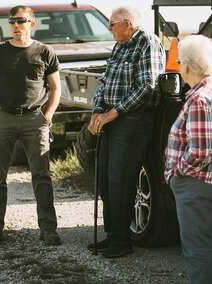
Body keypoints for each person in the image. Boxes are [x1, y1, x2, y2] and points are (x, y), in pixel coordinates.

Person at [0, 5, 61, 248]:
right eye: (12, 21)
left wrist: (47, 116)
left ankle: (48, 229)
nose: (16, 25)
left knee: (42, 176)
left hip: (35, 120)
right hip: (2, 118)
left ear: (31, 24)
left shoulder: (45, 52)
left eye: (21, 21)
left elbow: (56, 88)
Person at [87, 6, 165, 258]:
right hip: (112, 117)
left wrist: (113, 113)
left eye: (112, 24)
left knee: (121, 180)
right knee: (106, 179)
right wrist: (97, 111)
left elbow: (147, 87)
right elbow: (105, 82)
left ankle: (122, 241)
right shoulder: (120, 45)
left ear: (128, 24)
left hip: (132, 119)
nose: (109, 29)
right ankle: (112, 235)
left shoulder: (147, 43)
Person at [164, 35, 212, 283]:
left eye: (180, 61)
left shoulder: (199, 99)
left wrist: (177, 172)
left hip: (196, 183)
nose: (179, 67)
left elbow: (201, 151)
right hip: (202, 182)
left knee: (198, 248)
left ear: (188, 66)